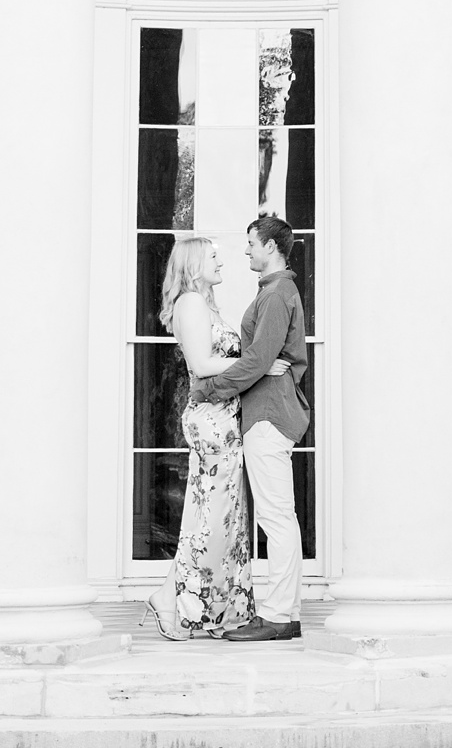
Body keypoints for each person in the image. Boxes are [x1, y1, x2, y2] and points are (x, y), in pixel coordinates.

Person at [190, 212, 311, 642]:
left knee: (276, 518)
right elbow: (262, 359)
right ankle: (286, 614)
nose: (246, 250)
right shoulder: (274, 292)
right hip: (267, 411)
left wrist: (212, 389)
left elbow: (260, 360)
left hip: (269, 415)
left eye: (251, 243)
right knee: (280, 516)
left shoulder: (278, 293)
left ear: (271, 247)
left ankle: (278, 617)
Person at [145, 235, 253, 641]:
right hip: (211, 422)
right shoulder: (190, 303)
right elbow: (202, 364)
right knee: (210, 519)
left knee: (217, 519)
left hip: (224, 418)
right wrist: (256, 363)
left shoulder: (205, 304)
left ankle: (197, 606)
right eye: (213, 257)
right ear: (193, 265)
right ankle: (173, 601)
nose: (220, 262)